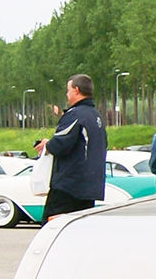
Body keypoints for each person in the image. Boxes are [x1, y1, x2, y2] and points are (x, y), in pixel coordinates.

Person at [35, 74, 106, 222]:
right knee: (78, 230)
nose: (67, 95)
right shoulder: (95, 116)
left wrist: (47, 145)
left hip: (69, 187)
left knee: (53, 228)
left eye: (68, 91)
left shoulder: (75, 114)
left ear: (76, 90)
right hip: (89, 188)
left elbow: (61, 144)